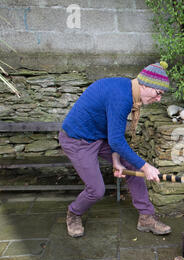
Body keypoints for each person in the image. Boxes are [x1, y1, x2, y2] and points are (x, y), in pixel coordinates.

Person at [59, 62, 172, 238]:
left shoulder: (128, 90)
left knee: (131, 165)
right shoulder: (122, 96)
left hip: (98, 136)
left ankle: (146, 218)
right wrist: (146, 167)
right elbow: (117, 141)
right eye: (158, 93)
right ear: (145, 85)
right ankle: (74, 213)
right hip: (77, 140)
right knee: (96, 190)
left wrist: (117, 160)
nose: (159, 99)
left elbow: (113, 134)